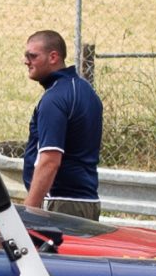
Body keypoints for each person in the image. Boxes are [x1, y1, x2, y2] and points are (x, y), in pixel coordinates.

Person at [21, 29, 102, 218]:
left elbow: (49, 161)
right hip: (87, 201)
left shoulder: (54, 98)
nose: (26, 61)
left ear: (53, 57)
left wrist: (29, 211)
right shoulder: (86, 90)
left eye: (32, 56)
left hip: (61, 204)